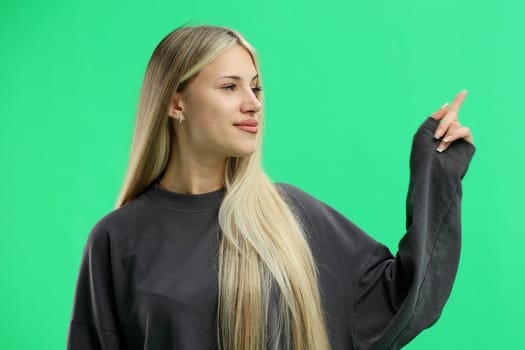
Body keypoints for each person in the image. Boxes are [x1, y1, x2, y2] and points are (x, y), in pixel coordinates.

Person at [66, 24, 476, 350]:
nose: (253, 102)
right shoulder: (116, 240)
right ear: (176, 104)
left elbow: (401, 298)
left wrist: (435, 171)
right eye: (230, 87)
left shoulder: (290, 215)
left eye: (256, 87)